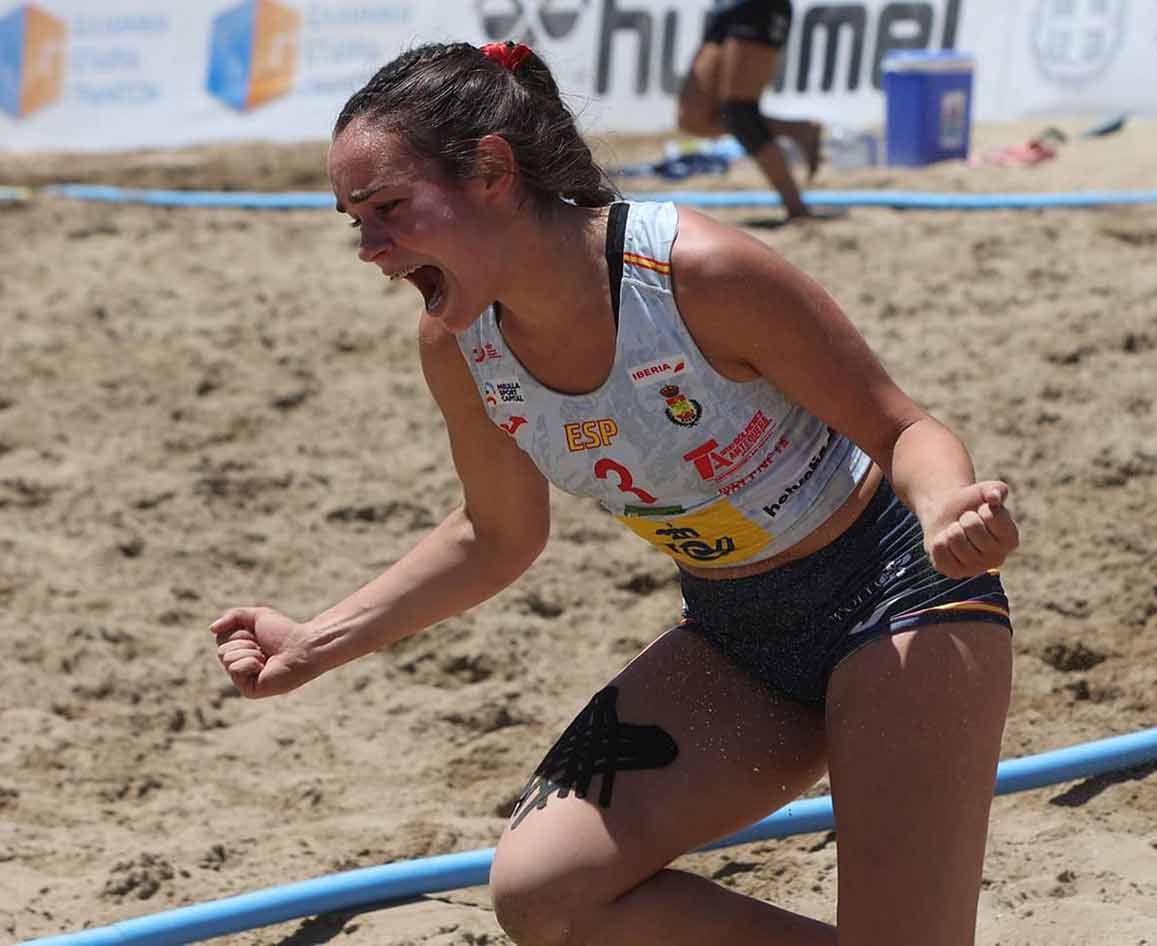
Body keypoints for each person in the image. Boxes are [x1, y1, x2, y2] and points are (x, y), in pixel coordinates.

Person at [211, 40, 1020, 946]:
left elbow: (903, 428)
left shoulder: (694, 272)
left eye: (387, 209)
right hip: (737, 634)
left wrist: (946, 503)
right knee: (544, 895)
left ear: (491, 171)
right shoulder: (459, 343)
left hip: (900, 605)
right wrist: (313, 643)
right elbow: (494, 536)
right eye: (351, 220)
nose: (368, 248)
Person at [676, 0, 824, 222]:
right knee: (693, 118)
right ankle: (797, 130)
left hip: (758, 7)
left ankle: (796, 208)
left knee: (739, 113)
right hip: (725, 10)